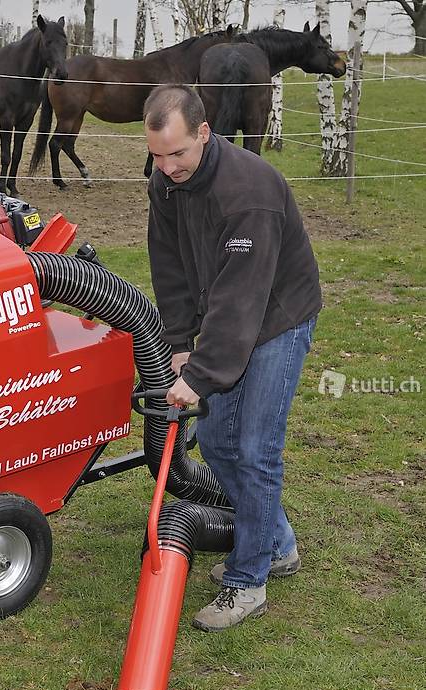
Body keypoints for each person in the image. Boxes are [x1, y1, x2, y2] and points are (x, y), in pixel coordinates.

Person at [143, 84, 321, 632]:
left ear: (203, 132)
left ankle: (248, 582)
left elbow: (241, 302)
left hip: (276, 318)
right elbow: (169, 265)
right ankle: (279, 544)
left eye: (177, 154)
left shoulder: (249, 192)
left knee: (254, 447)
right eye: (156, 155)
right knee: (218, 442)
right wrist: (178, 345)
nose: (167, 167)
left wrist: (201, 375)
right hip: (227, 315)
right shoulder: (166, 183)